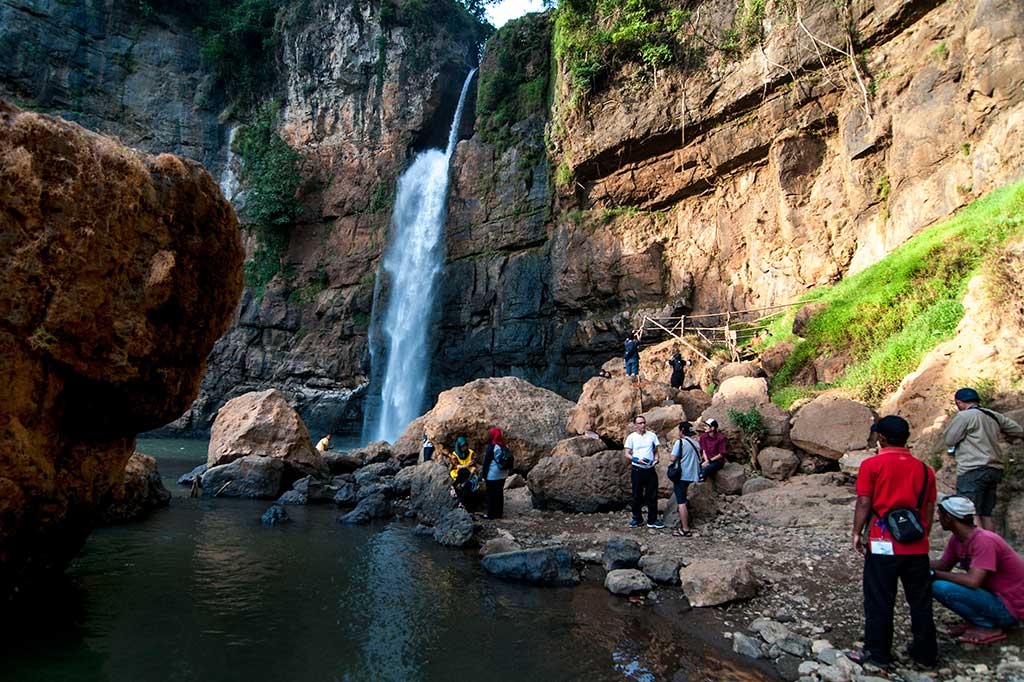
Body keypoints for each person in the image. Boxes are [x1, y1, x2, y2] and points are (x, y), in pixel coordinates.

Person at [848, 415, 937, 669]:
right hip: (916, 544)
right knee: (920, 601)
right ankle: (926, 653)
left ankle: (878, 653)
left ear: (882, 438)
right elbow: (929, 507)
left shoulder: (872, 465)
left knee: (879, 598)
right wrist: (924, 533)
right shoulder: (925, 469)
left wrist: (857, 532)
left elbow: (865, 502)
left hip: (882, 541)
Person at [930, 495, 1024, 645]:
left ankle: (987, 627)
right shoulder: (958, 539)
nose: (938, 517)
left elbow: (973, 581)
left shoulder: (984, 541)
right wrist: (915, 563)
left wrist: (935, 574)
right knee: (938, 583)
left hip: (1011, 607)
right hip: (995, 597)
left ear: (948, 517)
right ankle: (979, 621)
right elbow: (943, 564)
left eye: (940, 514)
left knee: (940, 587)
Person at [944, 387, 1023, 531]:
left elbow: (950, 439)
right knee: (986, 514)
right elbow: (1017, 429)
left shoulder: (964, 416)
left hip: (972, 470)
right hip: (994, 469)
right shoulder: (992, 415)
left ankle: (977, 549)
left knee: (971, 513)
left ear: (959, 402)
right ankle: (990, 548)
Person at [624, 415, 663, 529]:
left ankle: (652, 519)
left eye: (644, 422)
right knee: (637, 495)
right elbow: (627, 453)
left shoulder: (652, 436)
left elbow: (655, 450)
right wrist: (636, 460)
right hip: (637, 469)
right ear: (635, 425)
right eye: (640, 423)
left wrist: (656, 459)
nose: (642, 425)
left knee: (652, 495)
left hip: (650, 469)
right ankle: (637, 518)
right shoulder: (631, 437)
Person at [668, 421, 701, 537]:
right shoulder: (696, 443)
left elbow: (673, 458)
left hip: (681, 475)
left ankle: (685, 528)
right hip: (692, 475)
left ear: (681, 430)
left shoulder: (680, 442)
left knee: (681, 501)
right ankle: (684, 522)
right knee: (684, 498)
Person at [481, 427, 509, 520]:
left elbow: (486, 463)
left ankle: (491, 514)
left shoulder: (492, 447)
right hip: (503, 474)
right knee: (499, 493)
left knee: (491, 495)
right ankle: (499, 513)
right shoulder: (503, 445)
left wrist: (483, 475)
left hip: (493, 475)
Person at [448, 436, 477, 509]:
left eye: (466, 445)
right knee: (463, 471)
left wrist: (472, 469)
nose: (465, 447)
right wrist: (466, 465)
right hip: (458, 472)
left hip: (469, 472)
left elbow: (474, 464)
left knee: (468, 485)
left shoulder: (471, 452)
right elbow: (456, 466)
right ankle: (455, 485)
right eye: (462, 446)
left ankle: (462, 503)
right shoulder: (455, 454)